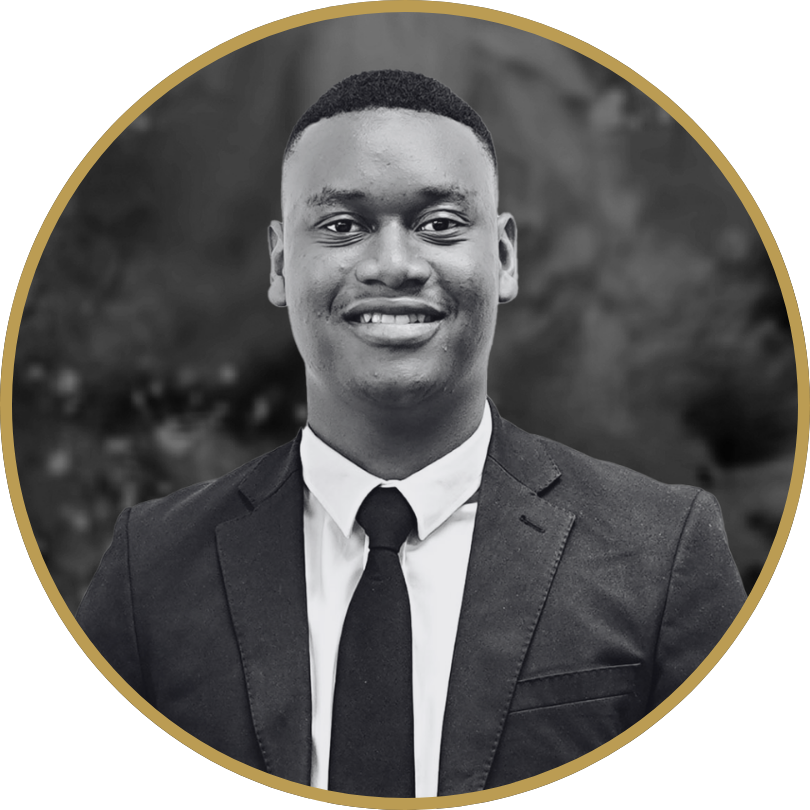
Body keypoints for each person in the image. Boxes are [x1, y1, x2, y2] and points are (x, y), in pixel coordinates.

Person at [76, 70, 747, 798]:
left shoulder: (663, 553)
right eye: (341, 226)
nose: (393, 265)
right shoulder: (150, 568)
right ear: (278, 262)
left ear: (503, 256)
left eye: (440, 225)